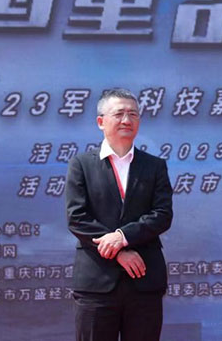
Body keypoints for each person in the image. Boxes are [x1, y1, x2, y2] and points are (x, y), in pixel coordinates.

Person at [65, 88, 173, 341]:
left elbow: (162, 214)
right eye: (119, 114)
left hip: (144, 280)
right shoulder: (81, 164)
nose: (126, 120)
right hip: (96, 282)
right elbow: (77, 217)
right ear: (101, 122)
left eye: (133, 114)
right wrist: (119, 251)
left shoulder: (154, 166)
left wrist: (123, 237)